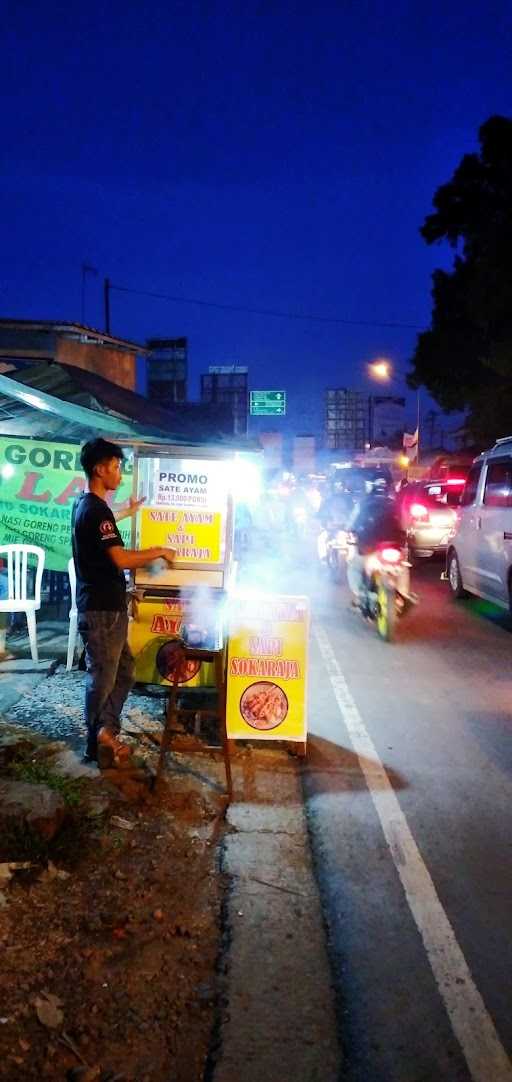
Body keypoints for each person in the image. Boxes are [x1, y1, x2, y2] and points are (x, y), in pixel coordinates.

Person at [72, 438, 176, 764]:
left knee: (125, 671)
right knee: (103, 676)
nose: (119, 473)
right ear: (100, 469)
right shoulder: (95, 510)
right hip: (102, 609)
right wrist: (158, 550)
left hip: (105, 606)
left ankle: (106, 730)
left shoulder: (85, 505)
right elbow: (119, 558)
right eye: (116, 467)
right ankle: (98, 740)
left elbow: (101, 523)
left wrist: (128, 511)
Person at [346, 478, 406, 604]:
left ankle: (359, 595)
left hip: (368, 546)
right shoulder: (395, 503)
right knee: (403, 567)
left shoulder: (362, 503)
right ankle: (404, 594)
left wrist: (350, 531)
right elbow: (404, 523)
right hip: (393, 546)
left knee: (354, 566)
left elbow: (351, 524)